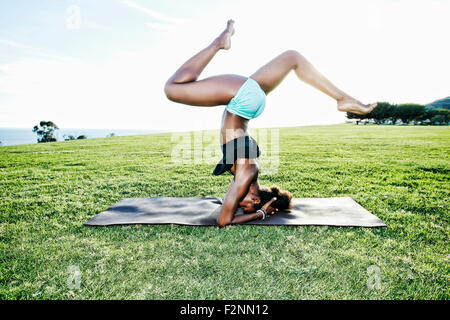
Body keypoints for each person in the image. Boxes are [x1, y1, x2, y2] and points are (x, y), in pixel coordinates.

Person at [164, 20, 376, 227]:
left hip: (247, 103)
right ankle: (218, 44)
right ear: (255, 199)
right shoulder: (246, 174)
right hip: (241, 100)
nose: (238, 203)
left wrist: (258, 209)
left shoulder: (248, 172)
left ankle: (341, 98)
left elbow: (228, 212)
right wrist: (260, 214)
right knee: (172, 89)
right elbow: (224, 221)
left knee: (293, 58)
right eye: (244, 205)